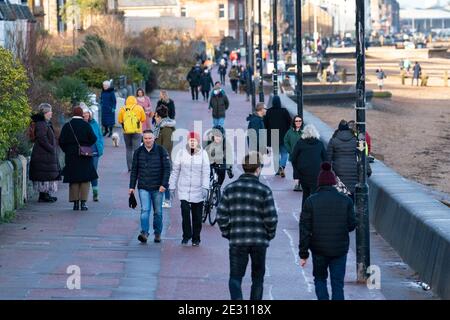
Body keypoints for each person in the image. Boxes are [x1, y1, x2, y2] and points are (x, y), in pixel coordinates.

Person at [217, 152, 278, 300]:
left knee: (235, 277)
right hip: (259, 240)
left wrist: (228, 232)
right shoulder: (264, 190)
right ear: (258, 169)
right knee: (258, 278)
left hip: (237, 239)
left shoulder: (230, 189)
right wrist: (268, 235)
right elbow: (271, 218)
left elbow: (221, 216)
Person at [299, 162, 356, 300]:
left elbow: (305, 229)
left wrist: (303, 253)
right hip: (339, 248)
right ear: (333, 183)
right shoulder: (346, 200)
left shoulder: (311, 201)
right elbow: (351, 225)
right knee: (337, 284)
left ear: (319, 183)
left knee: (320, 279)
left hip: (319, 248)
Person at [129, 130, 171, 244]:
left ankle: (157, 233)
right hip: (143, 186)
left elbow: (167, 169)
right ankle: (144, 233)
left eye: (150, 138)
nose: (148, 140)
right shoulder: (138, 152)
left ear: (154, 139)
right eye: (145, 138)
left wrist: (164, 184)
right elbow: (134, 171)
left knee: (158, 212)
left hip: (158, 187)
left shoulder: (161, 151)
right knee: (145, 210)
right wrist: (131, 186)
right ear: (143, 139)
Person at [169, 132, 210, 247]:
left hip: (198, 189)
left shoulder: (203, 154)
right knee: (185, 212)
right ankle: (186, 235)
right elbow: (175, 171)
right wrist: (172, 186)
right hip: (184, 189)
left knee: (197, 216)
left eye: (195, 140)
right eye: (190, 140)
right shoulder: (181, 153)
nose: (192, 142)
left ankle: (196, 238)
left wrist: (205, 187)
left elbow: (206, 172)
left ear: (198, 142)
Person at [59, 106, 98, 211]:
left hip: (71, 155)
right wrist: (86, 146)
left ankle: (75, 203)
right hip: (85, 154)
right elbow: (94, 138)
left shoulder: (67, 126)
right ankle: (83, 203)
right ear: (81, 114)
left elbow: (61, 141)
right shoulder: (86, 125)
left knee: (74, 179)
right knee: (85, 179)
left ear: (73, 114)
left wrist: (67, 150)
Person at [29, 103, 61, 203]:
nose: (52, 113)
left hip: (43, 153)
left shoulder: (44, 122)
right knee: (44, 175)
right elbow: (42, 138)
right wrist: (51, 148)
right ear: (45, 113)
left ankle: (45, 194)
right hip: (43, 153)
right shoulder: (42, 124)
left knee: (45, 175)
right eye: (50, 111)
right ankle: (43, 195)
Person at [291, 124, 327, 209]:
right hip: (317, 173)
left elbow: (293, 158)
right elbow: (326, 159)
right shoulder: (319, 144)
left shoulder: (300, 143)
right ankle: (315, 213)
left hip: (303, 173)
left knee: (306, 194)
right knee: (315, 194)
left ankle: (305, 213)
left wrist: (296, 174)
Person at [327, 120, 358, 201]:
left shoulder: (333, 140)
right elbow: (361, 157)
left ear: (339, 129)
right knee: (352, 197)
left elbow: (328, 159)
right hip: (353, 170)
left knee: (340, 197)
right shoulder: (355, 140)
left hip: (338, 170)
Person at [264, 95, 292, 178]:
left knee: (276, 154)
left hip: (273, 135)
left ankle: (277, 170)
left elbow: (265, 125)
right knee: (284, 153)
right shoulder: (284, 111)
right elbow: (290, 122)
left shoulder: (268, 112)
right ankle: (282, 166)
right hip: (284, 135)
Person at [154, 106, 176, 208]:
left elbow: (166, 146)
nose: (154, 117)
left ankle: (167, 200)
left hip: (163, 159)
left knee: (165, 180)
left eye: (156, 116)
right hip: (158, 157)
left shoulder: (166, 129)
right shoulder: (160, 127)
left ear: (159, 116)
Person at [81, 103, 104, 202]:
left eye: (87, 113)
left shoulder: (94, 123)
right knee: (84, 173)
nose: (86, 115)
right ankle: (83, 195)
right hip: (84, 152)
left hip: (95, 152)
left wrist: (101, 147)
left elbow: (99, 136)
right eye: (84, 113)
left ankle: (95, 193)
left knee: (93, 172)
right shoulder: (80, 125)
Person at [118, 96, 146, 172]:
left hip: (126, 131)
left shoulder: (123, 109)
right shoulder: (139, 108)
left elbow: (119, 120)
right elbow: (143, 119)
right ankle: (136, 167)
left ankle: (130, 167)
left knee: (128, 148)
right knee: (136, 149)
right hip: (137, 131)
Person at [283, 116, 303, 192]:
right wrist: (290, 150)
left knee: (302, 169)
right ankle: (297, 185)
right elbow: (285, 141)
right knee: (296, 170)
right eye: (296, 121)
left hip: (303, 155)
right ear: (294, 122)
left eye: (300, 121)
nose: (298, 122)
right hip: (293, 155)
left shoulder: (304, 131)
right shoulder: (290, 132)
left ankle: (302, 184)